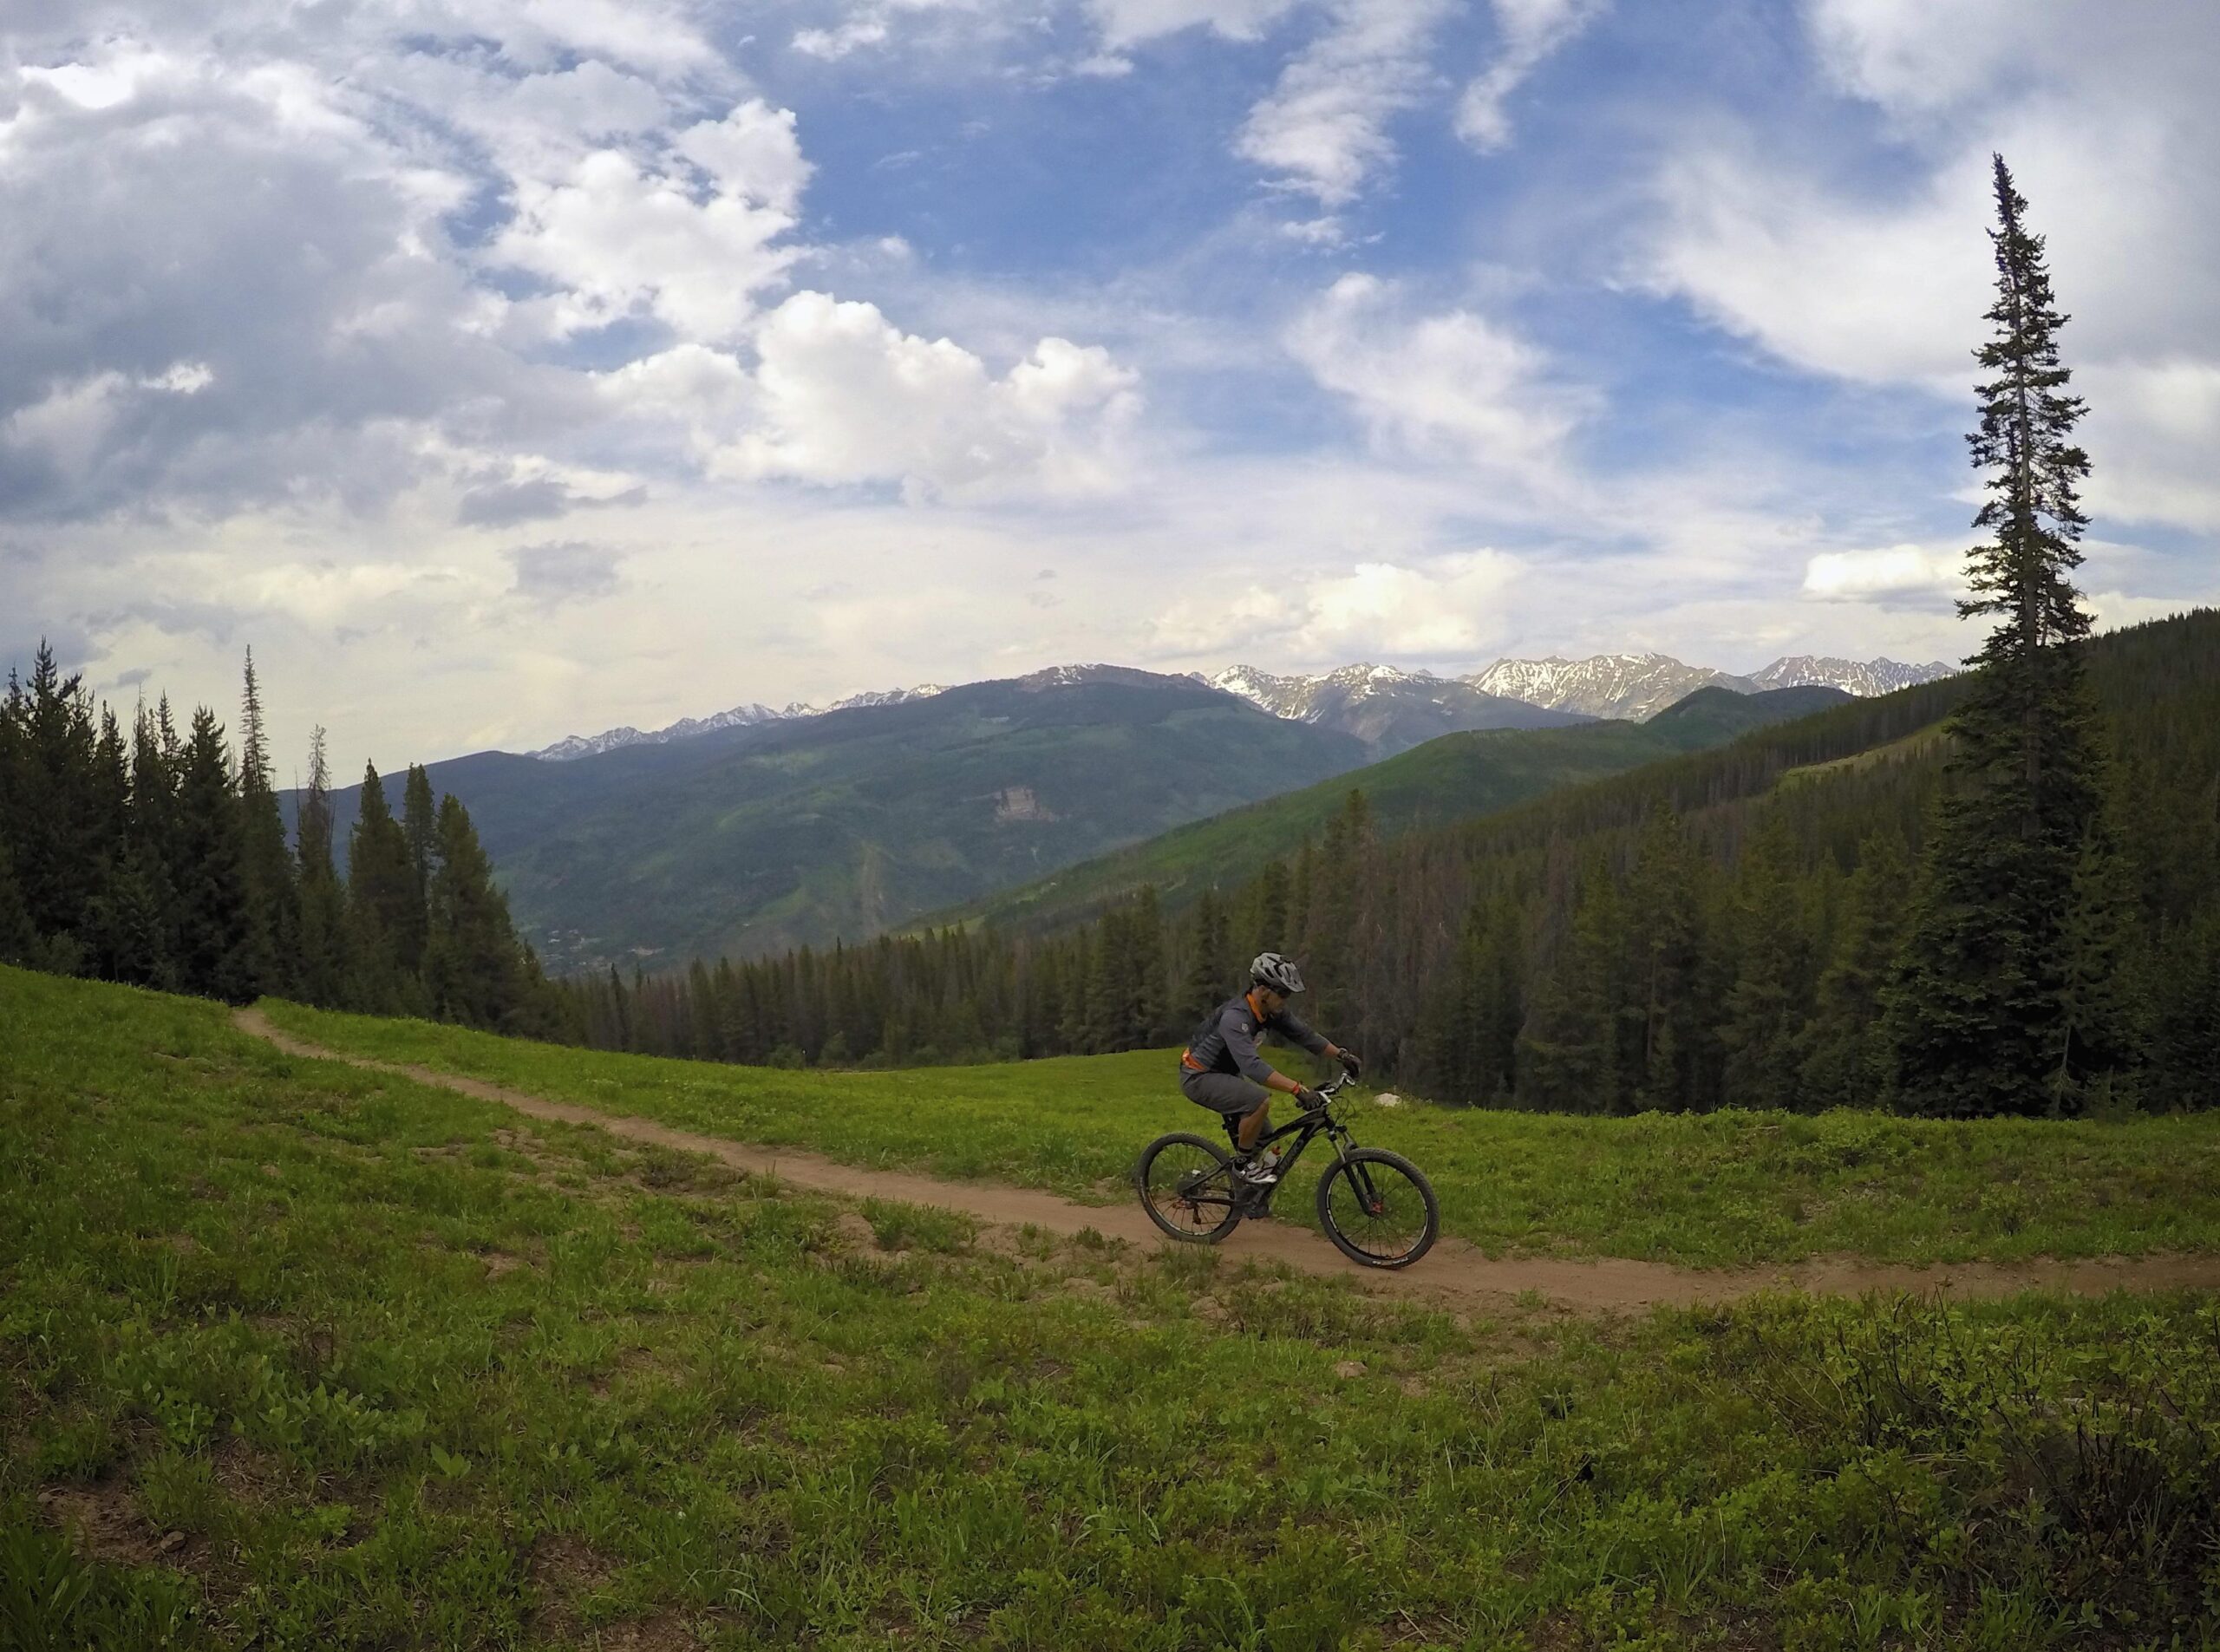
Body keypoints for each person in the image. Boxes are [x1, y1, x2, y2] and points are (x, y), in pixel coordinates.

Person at [1179, 952, 1361, 1185]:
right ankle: (1242, 1165)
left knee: (1267, 1143)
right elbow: (1252, 1067)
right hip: (1199, 1076)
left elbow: (1305, 1036)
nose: (1285, 1000)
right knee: (1258, 1101)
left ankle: (1247, 1196)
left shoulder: (1272, 1011)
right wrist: (1297, 1089)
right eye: (1282, 993)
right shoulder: (1235, 1017)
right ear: (1263, 989)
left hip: (1226, 1074)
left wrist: (1342, 1055)